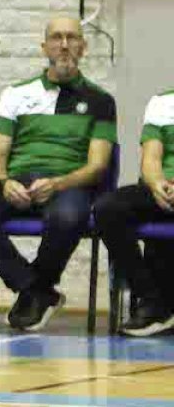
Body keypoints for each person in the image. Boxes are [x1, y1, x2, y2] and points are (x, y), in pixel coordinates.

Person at [0, 17, 116, 331]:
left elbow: (97, 166)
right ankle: (35, 289)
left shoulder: (101, 101)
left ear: (83, 47)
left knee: (68, 217)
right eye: (57, 37)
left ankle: (37, 291)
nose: (65, 44)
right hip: (19, 181)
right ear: (45, 47)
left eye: (72, 38)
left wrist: (58, 183)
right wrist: (4, 183)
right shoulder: (16, 94)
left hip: (68, 184)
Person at [93, 89, 174, 336]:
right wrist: (157, 183)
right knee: (108, 208)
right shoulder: (162, 102)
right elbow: (150, 158)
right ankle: (151, 302)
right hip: (165, 188)